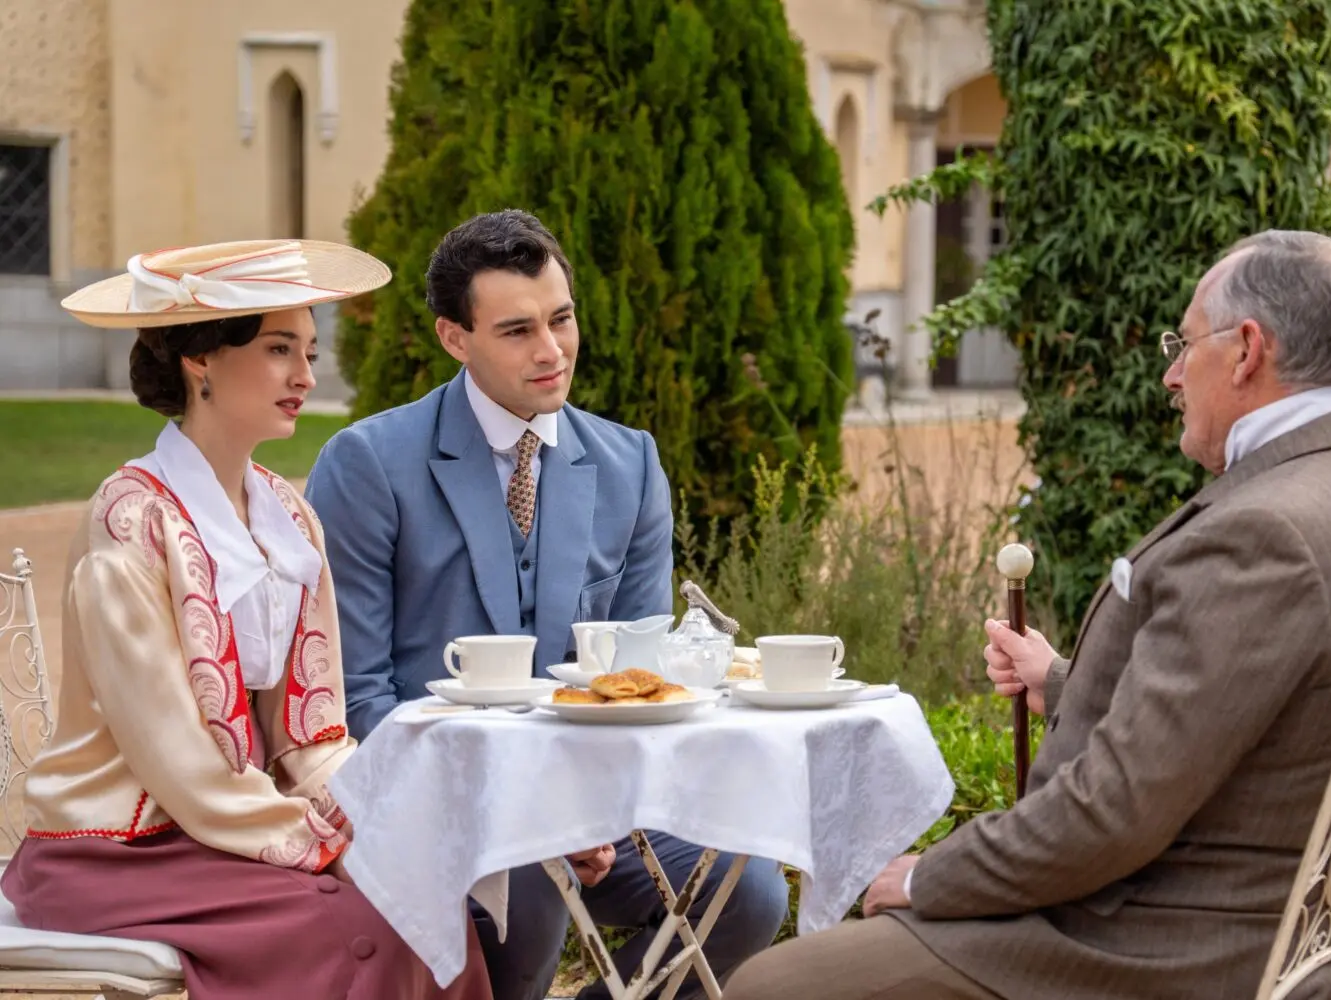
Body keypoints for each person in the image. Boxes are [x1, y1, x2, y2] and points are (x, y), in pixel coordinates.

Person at [721, 230, 1331, 1000]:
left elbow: (1114, 815)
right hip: (1282, 933)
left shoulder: (1268, 533)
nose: (1174, 375)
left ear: (1247, 350)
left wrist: (928, 877)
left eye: (1185, 345)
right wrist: (1068, 684)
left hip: (1152, 943)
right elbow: (1253, 717)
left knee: (774, 985)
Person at [305, 210, 788, 1000]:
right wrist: (526, 818)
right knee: (527, 887)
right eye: (517, 330)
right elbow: (358, 699)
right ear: (454, 338)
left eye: (561, 319)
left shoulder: (629, 464)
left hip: (596, 804)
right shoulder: (367, 465)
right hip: (434, 805)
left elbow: (636, 684)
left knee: (752, 891)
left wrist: (589, 814)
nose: (551, 350)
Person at [2, 240, 493, 1000]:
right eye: (277, 350)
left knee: (421, 903)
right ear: (201, 360)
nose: (305, 375)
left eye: (309, 351)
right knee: (353, 926)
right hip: (115, 851)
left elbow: (314, 730)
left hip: (231, 832)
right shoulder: (130, 524)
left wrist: (378, 812)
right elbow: (178, 761)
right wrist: (314, 841)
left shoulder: (289, 520)